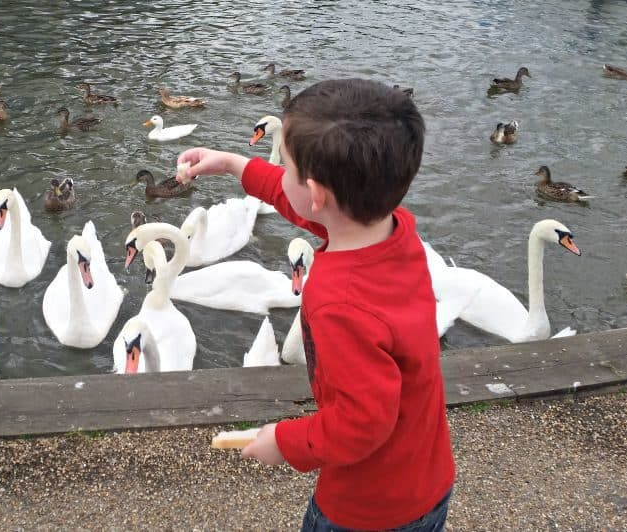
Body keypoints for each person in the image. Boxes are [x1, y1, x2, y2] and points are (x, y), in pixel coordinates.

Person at [177, 79, 455, 531]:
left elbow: (362, 423)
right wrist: (233, 165)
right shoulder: (394, 228)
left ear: (317, 193)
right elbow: (308, 206)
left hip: (367, 507)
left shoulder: (339, 303)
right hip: (427, 476)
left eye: (284, 164)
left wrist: (285, 441)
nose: (282, 174)